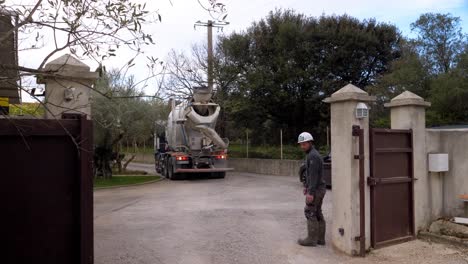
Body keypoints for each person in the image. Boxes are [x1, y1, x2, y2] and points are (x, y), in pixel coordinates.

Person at [297, 132, 326, 247]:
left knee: (309, 211)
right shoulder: (311, 154)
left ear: (310, 142)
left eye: (304, 144)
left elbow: (313, 176)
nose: (302, 146)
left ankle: (311, 239)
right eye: (301, 144)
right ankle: (320, 239)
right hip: (319, 188)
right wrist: (306, 186)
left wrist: (310, 192)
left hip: (317, 190)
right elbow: (310, 175)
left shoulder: (313, 156)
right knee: (317, 212)